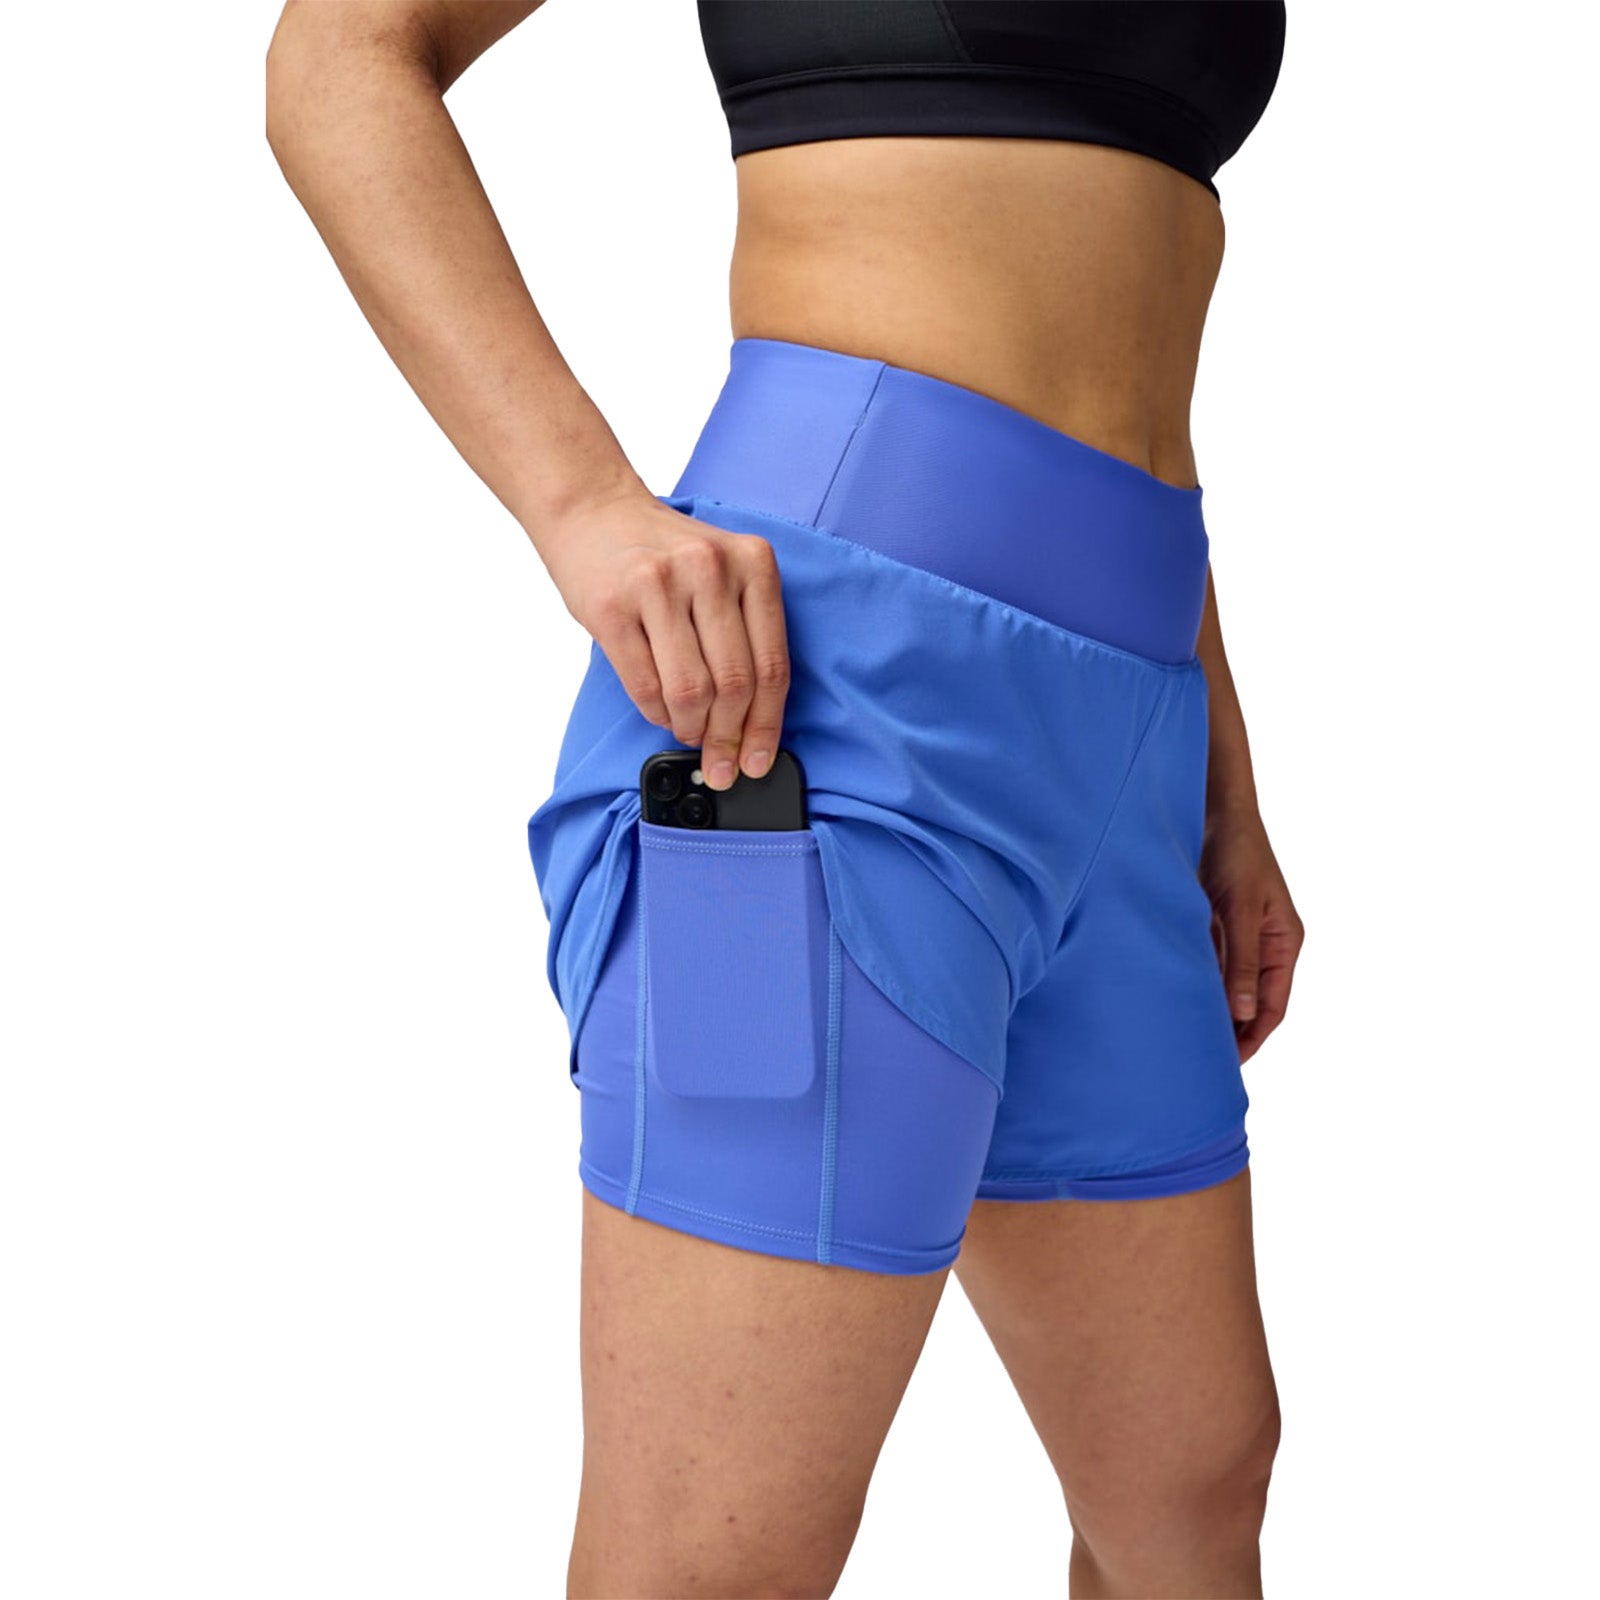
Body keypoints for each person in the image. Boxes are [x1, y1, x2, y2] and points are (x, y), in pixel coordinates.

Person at [266, 2, 1305, 1594]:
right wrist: (580, 505)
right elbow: (338, 56)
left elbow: (1114, 348)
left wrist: (1223, 777)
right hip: (821, 721)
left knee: (1191, 1489)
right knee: (715, 1559)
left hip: (1129, 740)